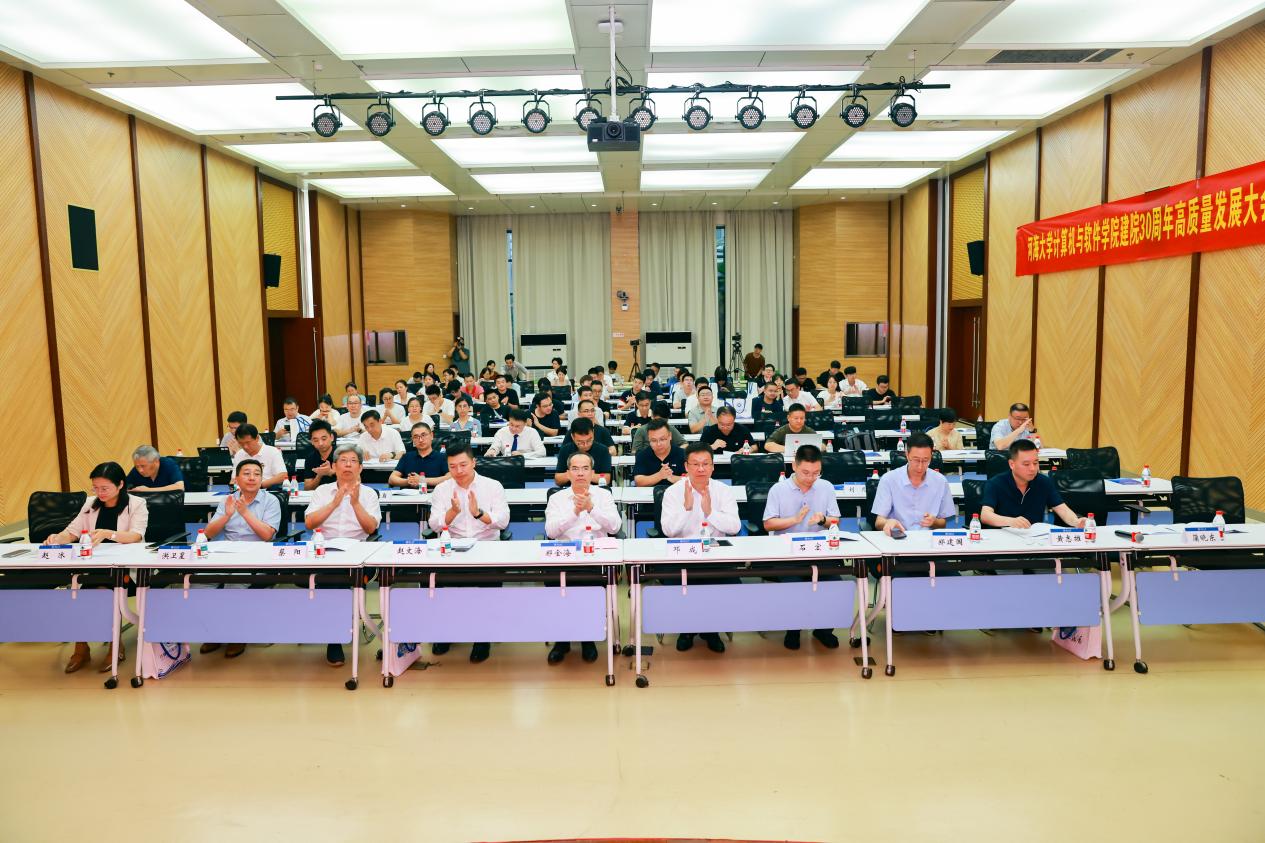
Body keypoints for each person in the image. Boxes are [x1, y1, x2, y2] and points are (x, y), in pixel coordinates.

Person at [47, 462, 148, 673]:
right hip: (93, 567)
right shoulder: (90, 504)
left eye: (104, 488)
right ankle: (81, 648)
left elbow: (136, 535)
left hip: (123, 570)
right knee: (79, 595)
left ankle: (115, 644)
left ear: (120, 485)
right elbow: (72, 532)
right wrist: (57, 538)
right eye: (95, 488)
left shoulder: (136, 504)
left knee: (101, 592)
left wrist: (108, 534)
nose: (99, 493)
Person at [427, 445, 511, 663]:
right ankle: (446, 632)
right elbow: (434, 524)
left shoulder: (492, 486)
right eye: (452, 466)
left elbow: (503, 521)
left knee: (486, 588)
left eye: (463, 465)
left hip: (486, 547)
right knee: (436, 584)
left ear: (474, 462)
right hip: (453, 548)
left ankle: (482, 637)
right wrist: (452, 512)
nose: (459, 471)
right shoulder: (442, 490)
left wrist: (478, 513)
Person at [659, 443, 742, 652]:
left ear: (713, 466)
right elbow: (668, 531)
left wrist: (710, 512)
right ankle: (687, 629)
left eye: (706, 464)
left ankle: (711, 630)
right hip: (682, 554)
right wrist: (687, 509)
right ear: (686, 466)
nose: (701, 469)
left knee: (726, 583)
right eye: (695, 464)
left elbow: (735, 527)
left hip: (715, 554)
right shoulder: (673, 492)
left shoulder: (723, 491)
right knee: (681, 584)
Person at [304, 444, 382, 667]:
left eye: (353, 461)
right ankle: (334, 631)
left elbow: (370, 528)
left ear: (361, 467)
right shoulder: (322, 492)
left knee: (335, 581)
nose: (348, 465)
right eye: (343, 461)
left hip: (357, 555)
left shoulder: (368, 494)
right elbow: (310, 523)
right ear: (334, 466)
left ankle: (334, 638)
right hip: (323, 551)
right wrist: (334, 502)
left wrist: (355, 503)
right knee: (329, 578)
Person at [544, 451, 622, 665]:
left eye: (585, 469)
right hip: (565, 557)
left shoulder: (603, 496)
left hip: (595, 558)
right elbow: (550, 531)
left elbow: (615, 527)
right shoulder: (557, 498)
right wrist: (574, 513)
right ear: (568, 473)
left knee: (590, 590)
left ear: (592, 472)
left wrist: (591, 509)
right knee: (558, 591)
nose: (580, 473)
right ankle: (562, 641)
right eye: (575, 469)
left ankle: (588, 638)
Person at [201, 459, 283, 659]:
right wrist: (226, 516)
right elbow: (208, 533)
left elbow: (267, 535)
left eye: (257, 473)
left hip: (258, 556)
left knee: (234, 584)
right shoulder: (227, 500)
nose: (252, 477)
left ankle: (236, 634)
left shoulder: (271, 501)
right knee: (200, 582)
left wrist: (245, 513)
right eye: (246, 473)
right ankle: (214, 632)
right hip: (227, 554)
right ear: (236, 479)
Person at [762, 445, 842, 650]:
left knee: (835, 584)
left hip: (820, 551)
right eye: (806, 472)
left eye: (816, 473)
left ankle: (823, 630)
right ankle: (794, 629)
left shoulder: (826, 487)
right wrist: (794, 520)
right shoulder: (778, 490)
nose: (811, 478)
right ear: (794, 466)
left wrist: (823, 520)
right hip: (788, 554)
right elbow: (768, 524)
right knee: (795, 586)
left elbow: (836, 520)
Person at [981, 440, 1084, 530]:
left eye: (1035, 463)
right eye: (1026, 464)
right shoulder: (995, 483)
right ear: (1012, 464)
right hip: (1003, 538)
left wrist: (1077, 522)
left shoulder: (1044, 482)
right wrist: (1011, 521)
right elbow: (985, 515)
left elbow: (1062, 509)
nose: (1033, 468)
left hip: (1034, 539)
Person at [871, 433, 956, 536]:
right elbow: (878, 522)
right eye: (916, 460)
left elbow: (943, 523)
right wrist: (888, 522)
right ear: (907, 455)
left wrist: (934, 522)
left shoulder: (940, 481)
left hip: (928, 539)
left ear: (931, 456)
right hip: (898, 537)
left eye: (925, 460)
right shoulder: (889, 480)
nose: (920, 466)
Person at [553, 418, 613, 486]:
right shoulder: (565, 450)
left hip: (596, 489)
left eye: (589, 440)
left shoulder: (603, 450)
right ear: (572, 437)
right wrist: (574, 473)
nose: (585, 445)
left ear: (593, 433)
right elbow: (558, 480)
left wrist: (579, 474)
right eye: (580, 442)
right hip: (571, 489)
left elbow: (606, 478)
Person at [389, 423, 450, 488]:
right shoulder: (406, 457)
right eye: (416, 437)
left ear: (431, 435)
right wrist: (409, 481)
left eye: (423, 435)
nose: (420, 440)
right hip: (409, 493)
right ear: (412, 439)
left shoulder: (442, 457)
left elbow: (450, 477)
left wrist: (422, 480)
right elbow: (391, 479)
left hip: (433, 493)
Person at [633, 419, 686, 486]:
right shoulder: (642, 455)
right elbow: (638, 481)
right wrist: (660, 475)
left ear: (670, 436)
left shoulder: (683, 454)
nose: (659, 444)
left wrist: (673, 478)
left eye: (662, 439)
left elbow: (692, 478)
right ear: (649, 439)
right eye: (654, 440)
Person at [298, 420, 337, 490]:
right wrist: (319, 475)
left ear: (332, 437)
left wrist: (332, 472)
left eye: (324, 439)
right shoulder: (310, 459)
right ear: (311, 442)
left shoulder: (342, 455)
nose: (320, 443)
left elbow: (353, 481)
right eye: (316, 440)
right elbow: (307, 488)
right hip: (318, 495)